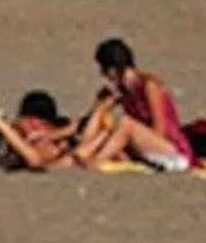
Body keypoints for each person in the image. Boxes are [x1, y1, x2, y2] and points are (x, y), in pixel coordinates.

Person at [77, 38, 195, 172]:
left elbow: (160, 130)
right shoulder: (125, 92)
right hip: (150, 149)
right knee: (111, 130)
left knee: (126, 124)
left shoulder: (149, 86)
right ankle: (91, 157)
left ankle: (96, 162)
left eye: (104, 69)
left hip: (174, 151)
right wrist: (102, 105)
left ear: (114, 68)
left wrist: (135, 141)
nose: (103, 75)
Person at [0, 90, 80, 171]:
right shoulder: (13, 138)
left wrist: (55, 135)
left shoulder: (63, 145)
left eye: (41, 122)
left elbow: (34, 159)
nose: (35, 124)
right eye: (30, 120)